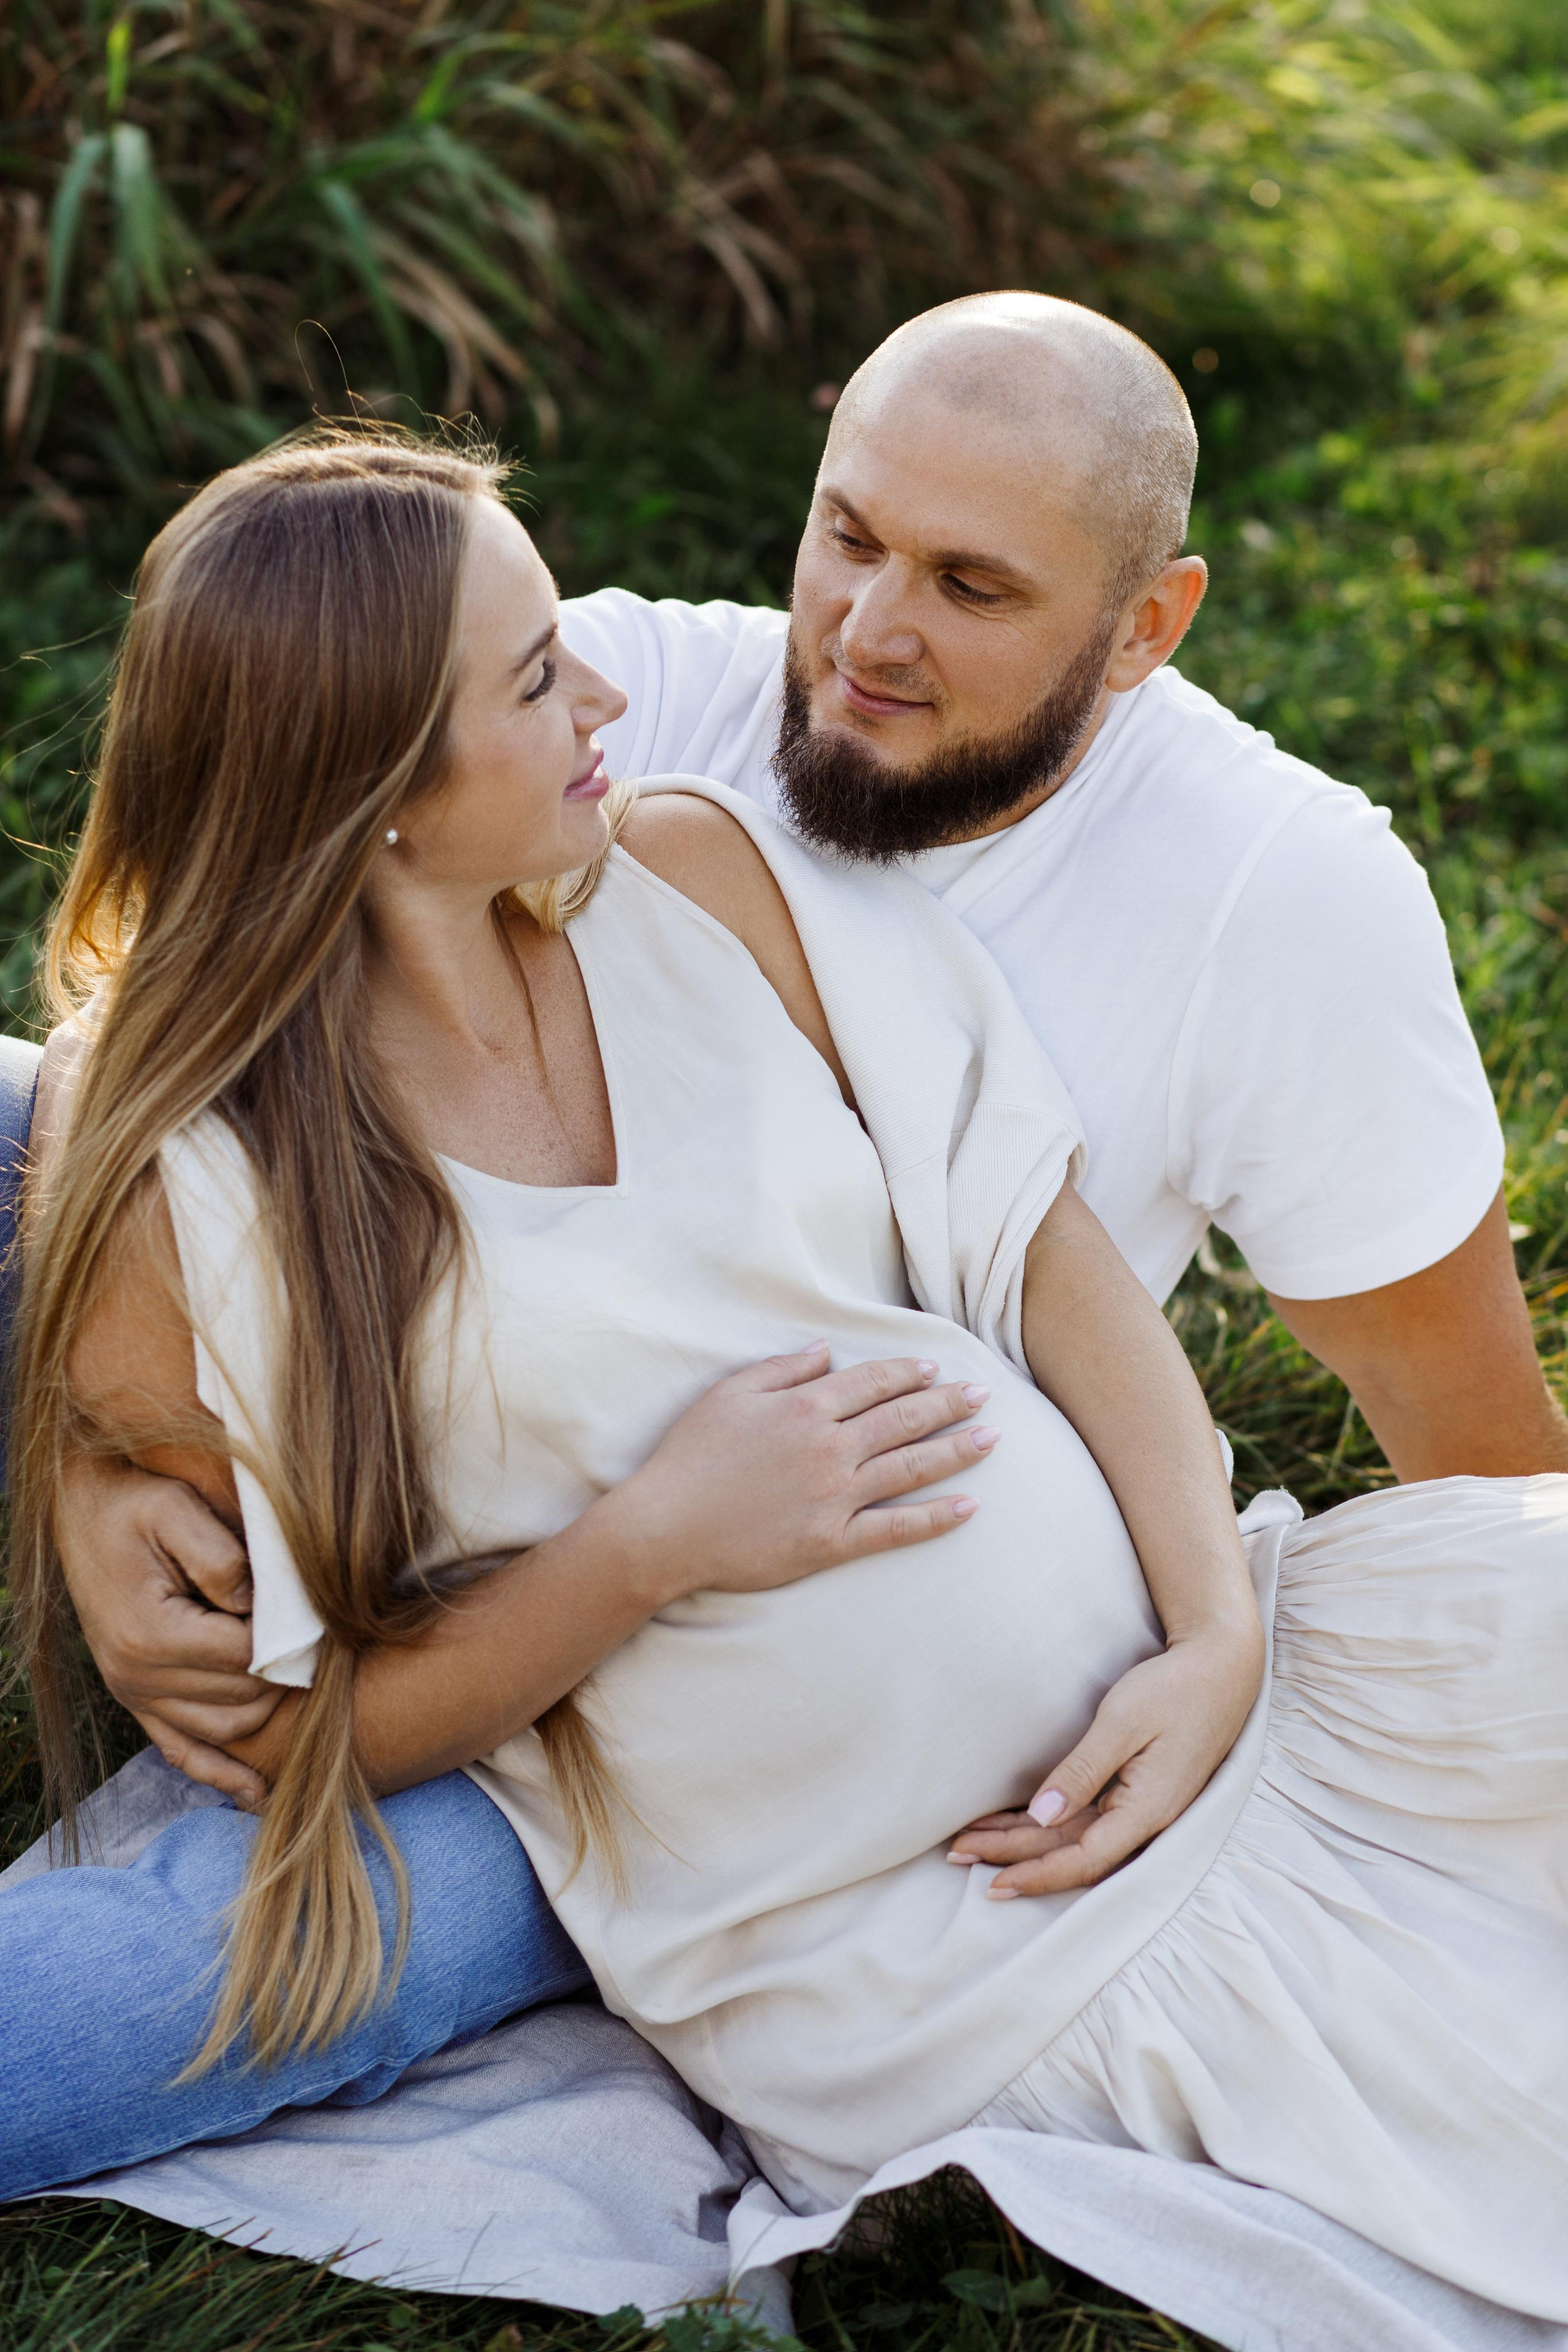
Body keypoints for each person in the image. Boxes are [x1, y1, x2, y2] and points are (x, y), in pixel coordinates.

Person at [6, 431, 1565, 2321]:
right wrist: (651, 1543)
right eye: (538, 678)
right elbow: (289, 1738)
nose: (607, 694)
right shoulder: (208, 1184)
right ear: (371, 792)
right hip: (950, 1930)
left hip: (1240, 1699)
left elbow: (1044, 1250)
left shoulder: (700, 870)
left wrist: (1216, 1634)